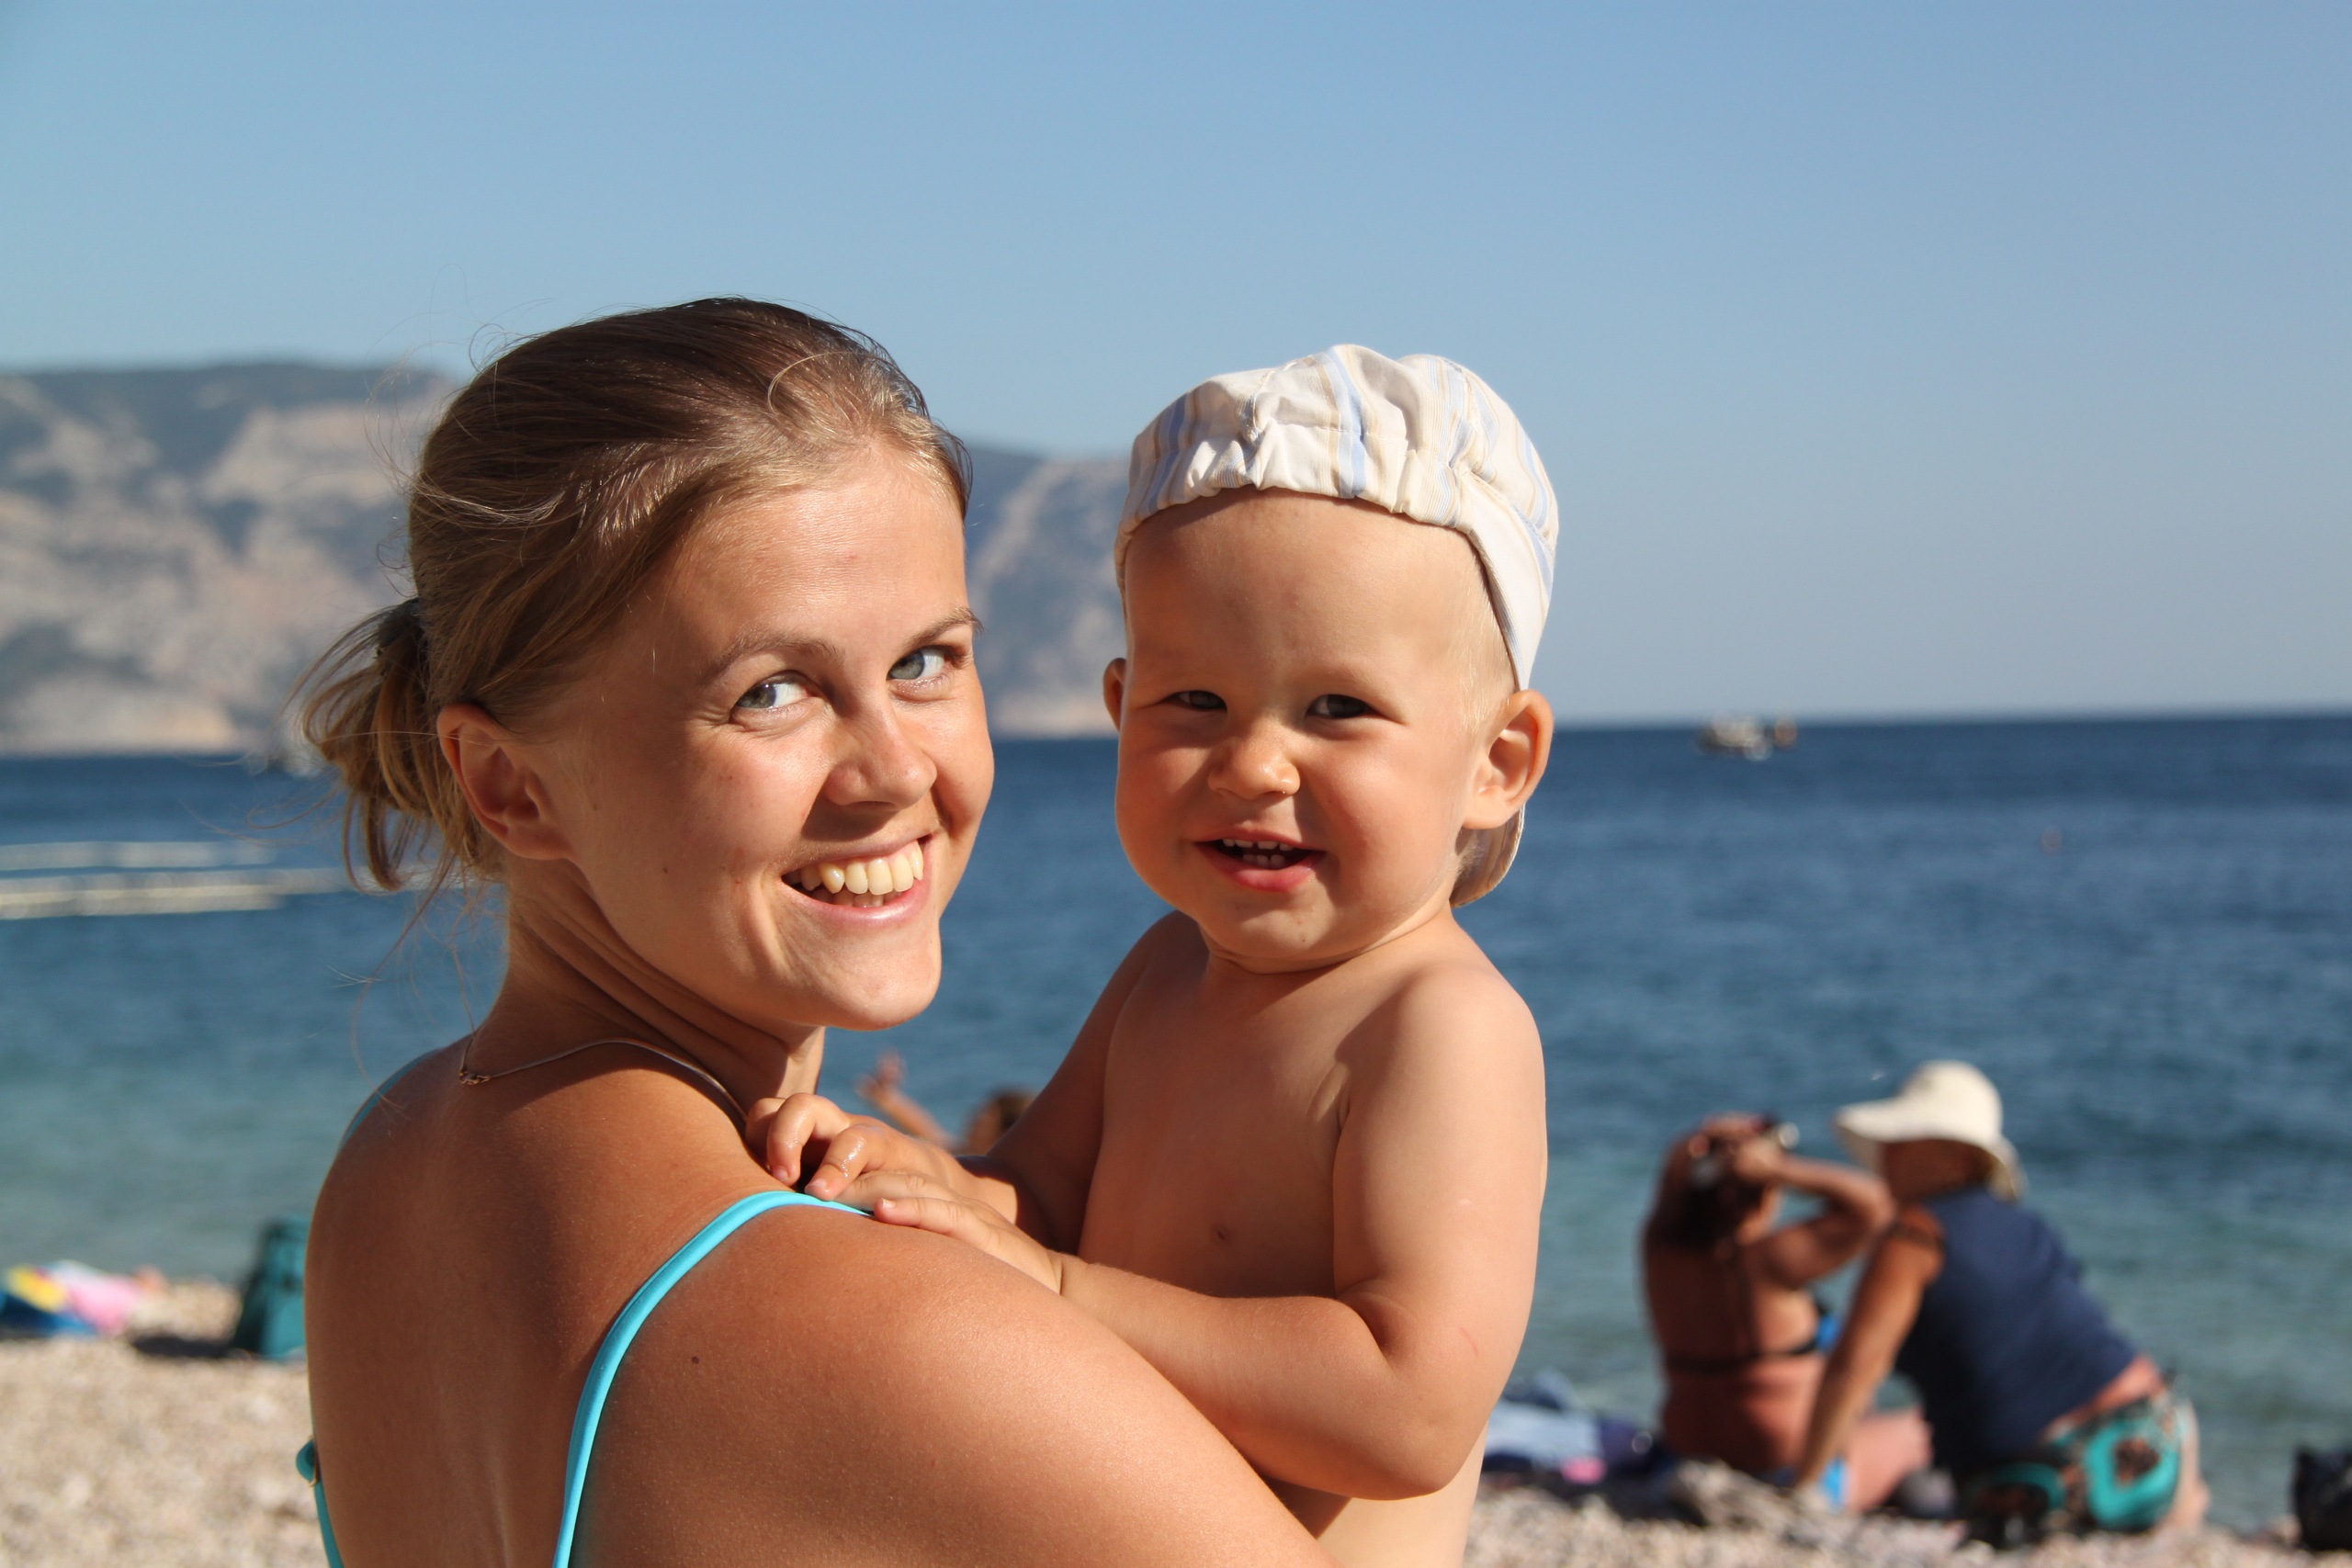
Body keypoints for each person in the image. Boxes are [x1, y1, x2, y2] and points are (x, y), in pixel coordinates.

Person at [294, 299, 1338, 1566]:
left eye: (926, 661)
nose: (895, 771)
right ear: (511, 784)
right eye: (771, 692)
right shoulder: (888, 1330)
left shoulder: (388, 1166)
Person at [762, 346, 1557, 1567]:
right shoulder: (1164, 970)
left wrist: (1059, 1290)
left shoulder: (1435, 1026)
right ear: (1120, 707)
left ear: (1496, 765)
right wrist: (916, 1178)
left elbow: (1407, 1407)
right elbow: (1035, 1198)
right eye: (1195, 703)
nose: (1254, 764)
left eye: (1337, 709)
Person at [1792, 1061, 2207, 1540]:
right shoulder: (2028, 1227)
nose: (1887, 1154)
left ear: (1958, 1159)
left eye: (1905, 1141)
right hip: (2161, 1437)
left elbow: (1854, 1367)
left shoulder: (1913, 1238)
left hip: (2048, 1480)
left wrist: (1806, 1487)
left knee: (1891, 1447)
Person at [1643, 1113, 1928, 1509]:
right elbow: (1879, 1206)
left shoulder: (1660, 1249)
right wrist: (1778, 1168)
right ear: (1766, 1189)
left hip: (1686, 1450)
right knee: (1920, 1429)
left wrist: (1700, 1139)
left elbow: (1670, 1187)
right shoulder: (1766, 1260)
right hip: (1782, 1464)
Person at [854, 1048, 1033, 1153]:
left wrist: (885, 1097)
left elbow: (934, 1139)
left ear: (1003, 1135)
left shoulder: (977, 1171)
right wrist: (885, 1097)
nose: (973, 1118)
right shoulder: (967, 1158)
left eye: (983, 1118)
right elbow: (932, 1135)